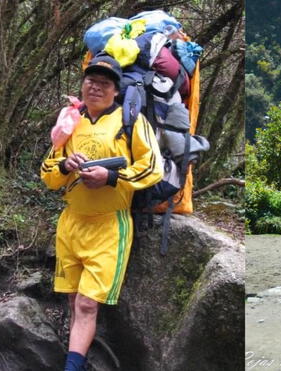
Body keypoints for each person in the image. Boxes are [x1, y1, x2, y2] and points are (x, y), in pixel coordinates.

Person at [41, 54, 163, 370]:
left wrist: (111, 177)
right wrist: (66, 166)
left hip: (109, 227)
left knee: (85, 303)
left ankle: (72, 367)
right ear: (82, 84)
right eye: (91, 80)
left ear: (116, 91)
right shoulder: (70, 120)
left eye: (104, 83)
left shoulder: (131, 121)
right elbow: (47, 174)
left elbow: (152, 167)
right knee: (72, 300)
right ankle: (76, 357)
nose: (96, 87)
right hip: (70, 224)